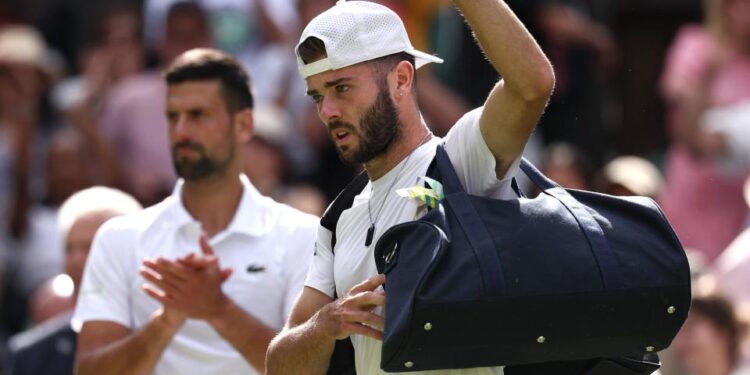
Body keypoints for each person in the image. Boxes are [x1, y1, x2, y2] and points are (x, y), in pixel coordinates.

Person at [266, 1, 555, 374]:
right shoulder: (337, 219)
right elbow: (282, 369)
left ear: (402, 79)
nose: (328, 111)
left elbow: (533, 83)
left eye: (341, 88)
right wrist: (325, 325)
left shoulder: (461, 159)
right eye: (318, 95)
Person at [72, 48, 318, 375]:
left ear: (244, 125)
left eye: (198, 115)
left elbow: (310, 370)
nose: (181, 132)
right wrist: (167, 320)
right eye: (173, 117)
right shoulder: (118, 238)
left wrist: (218, 309)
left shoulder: (302, 234)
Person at [5, 186, 142, 375]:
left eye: (90, 247)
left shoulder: (175, 336)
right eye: (69, 249)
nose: (76, 260)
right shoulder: (31, 356)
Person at [658, 0, 750, 264]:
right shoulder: (695, 45)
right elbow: (688, 137)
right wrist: (708, 75)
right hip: (691, 202)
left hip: (740, 214)